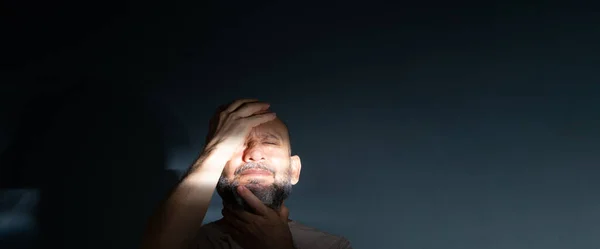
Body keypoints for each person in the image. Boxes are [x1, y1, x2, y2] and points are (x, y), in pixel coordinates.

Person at [140, 99, 353, 249]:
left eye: (269, 142)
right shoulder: (188, 242)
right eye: (236, 144)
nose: (254, 153)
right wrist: (217, 147)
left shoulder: (332, 246)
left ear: (294, 170)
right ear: (216, 166)